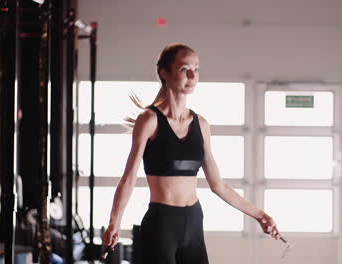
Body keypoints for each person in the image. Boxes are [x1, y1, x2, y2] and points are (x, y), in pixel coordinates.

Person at [102, 43, 281, 264]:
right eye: (184, 69)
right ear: (164, 73)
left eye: (196, 69)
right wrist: (114, 223)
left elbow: (219, 186)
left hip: (194, 220)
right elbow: (128, 179)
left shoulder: (201, 125)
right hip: (161, 224)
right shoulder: (149, 120)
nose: (191, 75)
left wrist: (261, 216)